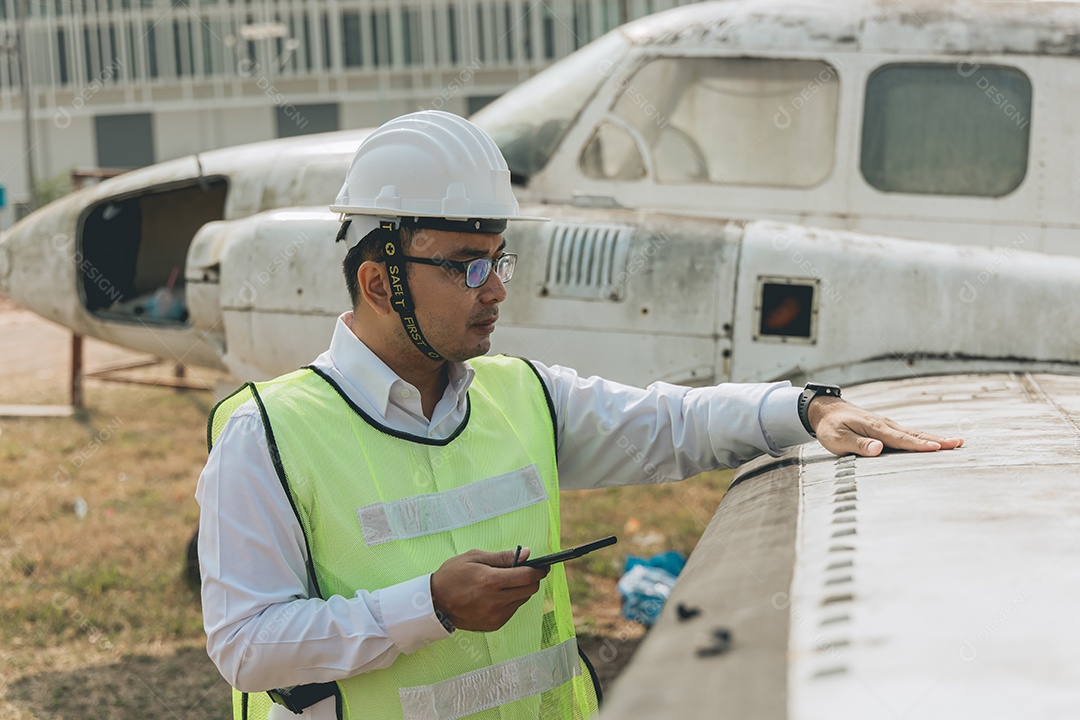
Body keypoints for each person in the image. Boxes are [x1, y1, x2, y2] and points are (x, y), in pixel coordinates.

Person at [196, 110, 962, 720]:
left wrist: (806, 408)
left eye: (499, 259)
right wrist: (428, 607)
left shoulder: (521, 395)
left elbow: (669, 424)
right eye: (468, 264)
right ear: (377, 281)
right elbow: (248, 647)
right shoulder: (265, 434)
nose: (495, 288)